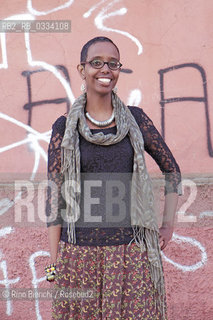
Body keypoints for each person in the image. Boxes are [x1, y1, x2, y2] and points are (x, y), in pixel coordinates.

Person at [45, 36, 181, 320]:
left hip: (130, 255)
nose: (105, 69)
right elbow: (54, 197)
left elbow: (172, 171)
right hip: (78, 256)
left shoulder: (135, 120)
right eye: (96, 62)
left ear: (119, 69)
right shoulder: (64, 128)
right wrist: (55, 262)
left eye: (113, 63)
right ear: (82, 69)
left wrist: (167, 227)